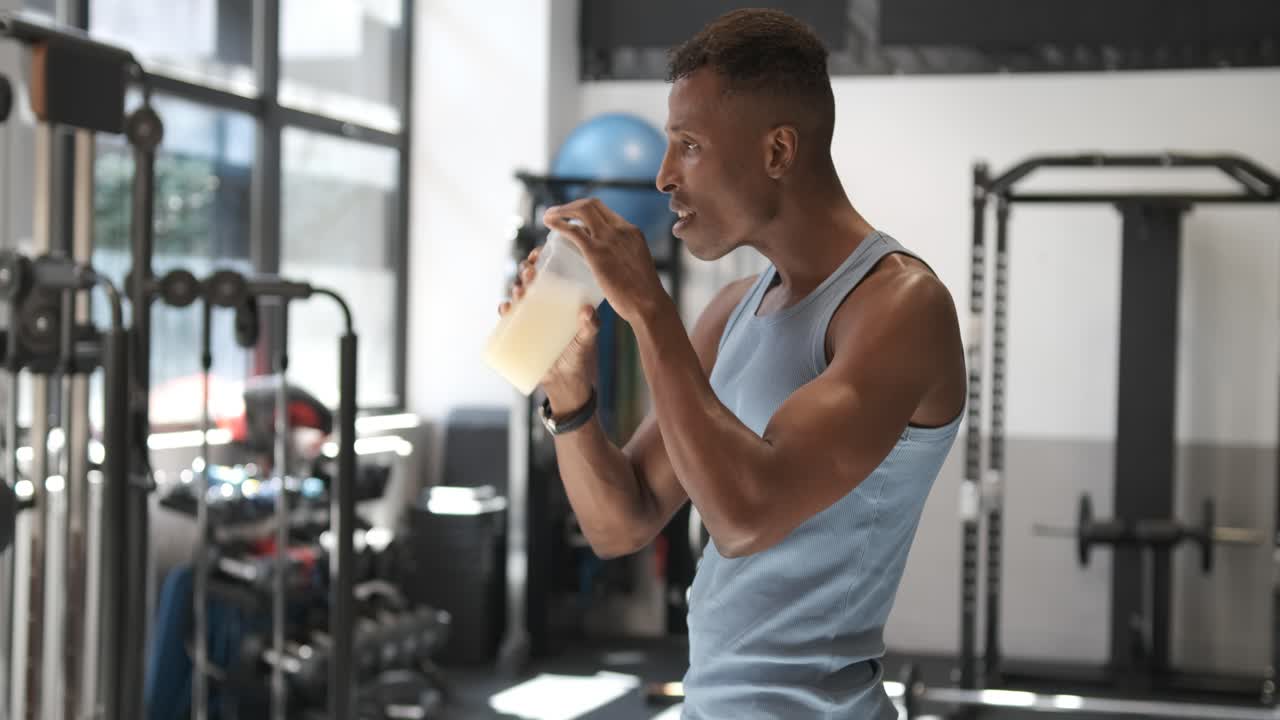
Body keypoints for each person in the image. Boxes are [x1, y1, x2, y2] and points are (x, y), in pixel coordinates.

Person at [498, 8, 966, 718]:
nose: (663, 177)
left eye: (688, 146)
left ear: (778, 151)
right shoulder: (732, 311)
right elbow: (621, 522)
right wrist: (570, 393)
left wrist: (649, 308)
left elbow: (745, 515)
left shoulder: (901, 308)